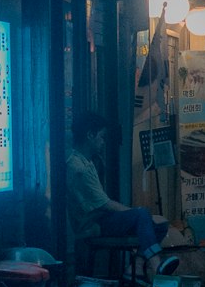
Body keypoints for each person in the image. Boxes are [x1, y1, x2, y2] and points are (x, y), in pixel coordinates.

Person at [66, 111, 178, 276]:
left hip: (100, 220)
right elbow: (105, 204)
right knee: (142, 215)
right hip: (92, 225)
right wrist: (138, 214)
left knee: (161, 223)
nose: (103, 142)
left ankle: (136, 266)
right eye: (102, 137)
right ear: (90, 135)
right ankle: (156, 265)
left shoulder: (87, 161)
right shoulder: (78, 167)